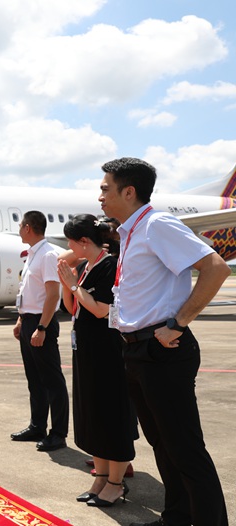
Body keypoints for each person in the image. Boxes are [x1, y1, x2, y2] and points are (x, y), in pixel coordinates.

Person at [98, 157, 230, 526]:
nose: (100, 197)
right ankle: (177, 516)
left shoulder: (157, 224)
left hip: (163, 349)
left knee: (185, 450)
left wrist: (178, 323)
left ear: (129, 191)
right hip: (137, 350)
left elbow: (215, 268)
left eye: (105, 189)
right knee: (163, 446)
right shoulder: (130, 232)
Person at [56, 215, 136, 507]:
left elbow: (102, 310)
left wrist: (74, 285)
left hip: (107, 352)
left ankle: (116, 483)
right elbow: (71, 307)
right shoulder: (88, 266)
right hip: (87, 351)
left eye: (70, 241)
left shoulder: (110, 265)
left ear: (84, 242)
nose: (67, 246)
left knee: (111, 414)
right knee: (93, 413)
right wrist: (69, 285)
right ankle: (100, 477)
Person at [11, 211, 69, 452]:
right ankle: (37, 425)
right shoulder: (33, 254)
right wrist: (20, 319)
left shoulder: (47, 255)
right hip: (29, 320)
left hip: (41, 322)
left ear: (28, 227)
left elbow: (52, 294)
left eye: (21, 225)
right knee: (34, 379)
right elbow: (29, 292)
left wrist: (42, 327)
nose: (19, 229)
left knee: (51, 380)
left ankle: (58, 433)